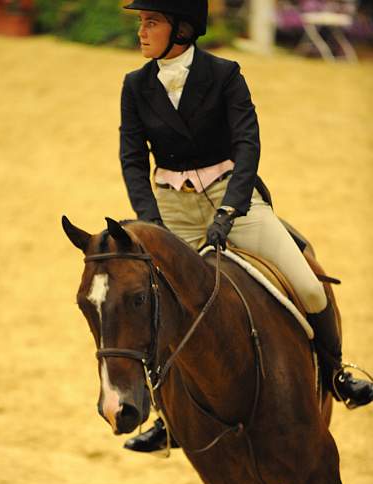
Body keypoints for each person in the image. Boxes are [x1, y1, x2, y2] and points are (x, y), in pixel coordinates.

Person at [119, 0, 372, 453]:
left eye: (150, 22)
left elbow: (247, 144)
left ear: (181, 30)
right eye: (141, 22)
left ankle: (338, 373)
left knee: (310, 288)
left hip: (232, 198)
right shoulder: (135, 86)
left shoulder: (225, 74)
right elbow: (133, 159)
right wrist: (152, 224)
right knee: (154, 310)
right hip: (170, 210)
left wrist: (230, 211)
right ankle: (165, 416)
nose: (141, 31)